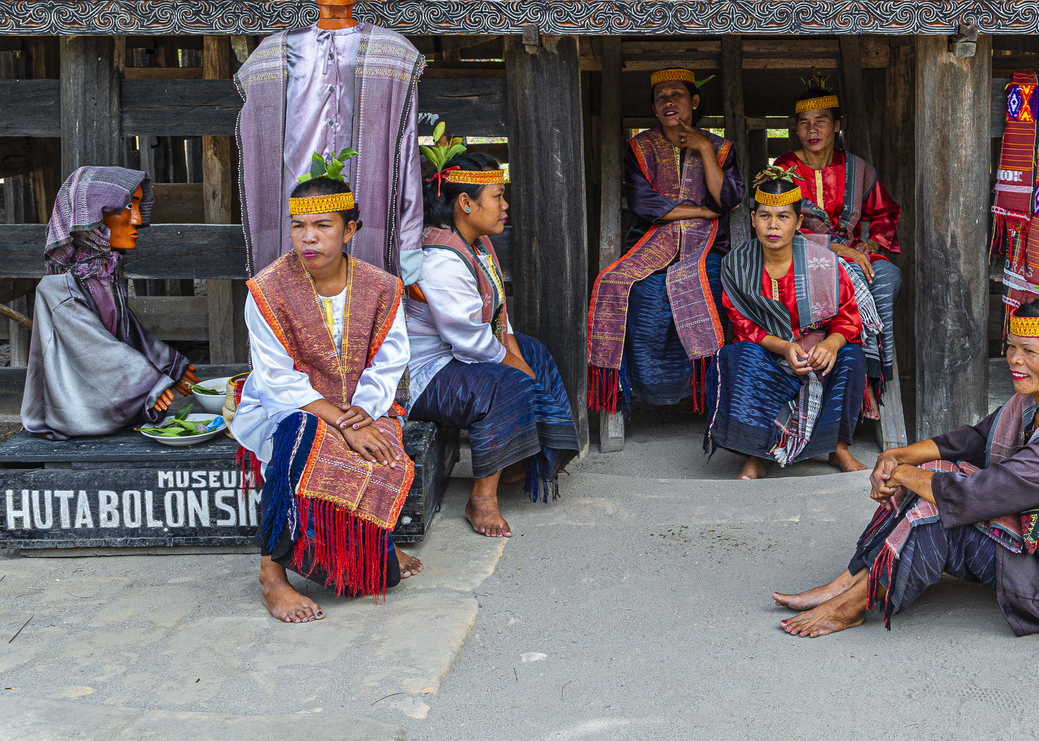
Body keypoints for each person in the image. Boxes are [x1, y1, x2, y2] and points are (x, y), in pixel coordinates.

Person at [775, 285, 1039, 638]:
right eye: (1011, 347)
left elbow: (977, 495)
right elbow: (975, 440)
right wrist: (898, 456)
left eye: (1029, 351)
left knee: (938, 516)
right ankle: (848, 581)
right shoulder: (1032, 405)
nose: (1015, 360)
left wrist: (904, 474)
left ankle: (852, 604)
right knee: (932, 481)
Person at [230, 162, 419, 623]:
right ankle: (271, 575)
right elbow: (278, 381)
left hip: (363, 406)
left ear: (350, 229)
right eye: (298, 226)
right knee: (299, 434)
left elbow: (388, 364)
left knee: (372, 577)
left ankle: (378, 543)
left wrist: (359, 416)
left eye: (322, 225)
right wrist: (338, 422)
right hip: (289, 407)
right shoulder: (266, 291)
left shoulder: (382, 288)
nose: (308, 237)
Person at [235, 0, 427, 286]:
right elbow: (258, 156)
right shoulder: (271, 58)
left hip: (369, 221)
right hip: (294, 227)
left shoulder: (393, 55)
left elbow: (405, 159)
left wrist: (409, 248)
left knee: (365, 325)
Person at [404, 128, 579, 538]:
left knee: (531, 353)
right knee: (507, 382)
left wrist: (520, 356)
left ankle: (523, 459)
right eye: (497, 197)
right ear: (465, 203)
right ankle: (481, 497)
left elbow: (499, 317)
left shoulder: (477, 245)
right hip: (425, 374)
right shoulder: (439, 260)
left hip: (457, 357)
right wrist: (518, 370)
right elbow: (471, 341)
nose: (505, 206)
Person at [586, 68, 744, 414]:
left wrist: (703, 147)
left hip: (706, 248)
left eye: (677, 95)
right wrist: (702, 212)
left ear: (694, 101)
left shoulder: (718, 147)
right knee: (622, 285)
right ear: (655, 108)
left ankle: (705, 395)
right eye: (661, 97)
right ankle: (643, 391)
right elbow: (645, 206)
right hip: (649, 243)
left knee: (705, 284)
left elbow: (727, 199)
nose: (668, 102)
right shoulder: (640, 147)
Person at [707, 168, 868, 479]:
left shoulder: (824, 262)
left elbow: (849, 316)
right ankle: (755, 455)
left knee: (852, 357)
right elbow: (742, 324)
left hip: (817, 354)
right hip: (769, 354)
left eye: (783, 217)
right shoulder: (736, 265)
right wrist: (783, 346)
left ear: (797, 222)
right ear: (752, 218)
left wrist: (831, 344)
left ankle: (838, 448)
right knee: (736, 356)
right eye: (765, 216)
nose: (773, 225)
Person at [22, 167, 199, 438]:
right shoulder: (59, 288)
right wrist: (149, 383)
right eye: (129, 206)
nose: (138, 219)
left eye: (138, 206)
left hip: (108, 401)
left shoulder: (105, 272)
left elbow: (127, 332)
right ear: (93, 216)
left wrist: (168, 364)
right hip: (76, 408)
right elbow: (95, 349)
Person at [773, 75, 903, 407]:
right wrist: (836, 249)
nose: (812, 130)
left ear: (837, 126)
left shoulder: (858, 168)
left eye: (821, 122)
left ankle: (877, 369)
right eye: (804, 124)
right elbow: (781, 224)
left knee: (888, 277)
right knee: (846, 278)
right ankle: (852, 383)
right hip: (803, 255)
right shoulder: (785, 169)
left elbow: (885, 212)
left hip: (856, 251)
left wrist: (873, 243)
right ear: (797, 130)